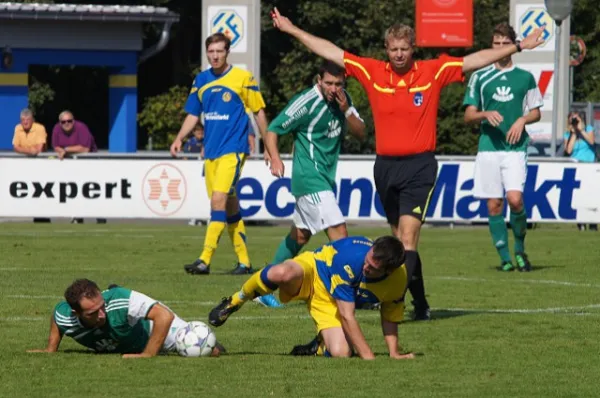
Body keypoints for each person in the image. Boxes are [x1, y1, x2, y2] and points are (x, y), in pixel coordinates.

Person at [270, 7, 545, 320]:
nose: (399, 55)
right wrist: (291, 29)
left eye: (405, 49)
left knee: (408, 238)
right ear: (386, 50)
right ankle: (421, 304)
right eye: (394, 49)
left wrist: (519, 46)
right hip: (385, 167)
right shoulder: (373, 71)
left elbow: (474, 59)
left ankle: (392, 303)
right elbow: (328, 50)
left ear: (413, 48)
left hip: (420, 166)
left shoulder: (432, 71)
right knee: (399, 243)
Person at [261, 60, 366, 308]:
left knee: (299, 236)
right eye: (328, 83)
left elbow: (361, 132)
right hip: (310, 179)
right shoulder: (306, 102)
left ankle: (265, 286)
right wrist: (275, 157)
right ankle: (350, 292)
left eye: (338, 84)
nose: (333, 88)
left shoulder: (344, 100)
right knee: (339, 234)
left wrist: (347, 110)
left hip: (324, 180)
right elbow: (274, 129)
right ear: (319, 81)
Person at [208, 236, 414, 360]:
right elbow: (347, 315)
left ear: (390, 270)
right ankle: (235, 300)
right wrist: (369, 357)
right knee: (282, 273)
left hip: (327, 299)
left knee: (341, 353)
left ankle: (319, 345)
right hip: (313, 271)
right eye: (367, 260)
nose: (366, 267)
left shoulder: (398, 281)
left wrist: (393, 352)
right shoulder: (350, 259)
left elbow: (390, 313)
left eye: (373, 268)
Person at [170, 32, 269, 275]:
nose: (215, 56)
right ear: (207, 53)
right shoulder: (201, 80)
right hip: (211, 152)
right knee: (230, 205)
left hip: (233, 150)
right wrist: (179, 137)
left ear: (227, 52)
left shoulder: (242, 78)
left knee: (218, 201)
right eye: (211, 52)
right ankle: (244, 262)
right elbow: (194, 114)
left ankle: (204, 259)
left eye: (219, 51)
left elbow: (258, 111)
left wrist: (269, 146)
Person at [463, 23, 543, 272]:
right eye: (495, 43)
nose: (499, 48)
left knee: (515, 200)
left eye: (504, 43)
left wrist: (521, 119)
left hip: (515, 148)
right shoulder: (480, 76)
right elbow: (468, 116)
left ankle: (519, 249)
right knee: (494, 205)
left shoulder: (525, 77)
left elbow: (536, 113)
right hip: (488, 148)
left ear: (513, 44)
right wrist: (485, 114)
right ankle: (505, 258)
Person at [27, 279, 225, 357]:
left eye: (102, 307)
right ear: (76, 313)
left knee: (209, 351)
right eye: (93, 313)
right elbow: (56, 317)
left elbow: (164, 316)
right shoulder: (65, 315)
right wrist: (51, 348)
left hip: (153, 330)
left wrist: (147, 355)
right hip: (127, 338)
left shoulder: (118, 301)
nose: (101, 314)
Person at [564, 111, 597, 231]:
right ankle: (581, 222)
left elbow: (591, 141)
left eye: (576, 118)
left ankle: (593, 222)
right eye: (572, 119)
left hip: (589, 165)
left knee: (590, 194)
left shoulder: (588, 128)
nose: (574, 121)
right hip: (576, 166)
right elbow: (568, 151)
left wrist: (581, 130)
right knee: (578, 195)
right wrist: (573, 133)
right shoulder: (568, 134)